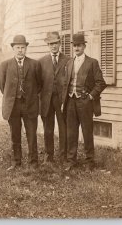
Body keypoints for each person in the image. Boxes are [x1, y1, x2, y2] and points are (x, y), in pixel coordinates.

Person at [62, 33, 107, 171]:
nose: (76, 48)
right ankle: (71, 161)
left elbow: (101, 83)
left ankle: (89, 162)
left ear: (84, 46)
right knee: (71, 132)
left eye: (79, 45)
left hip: (85, 103)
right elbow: (66, 83)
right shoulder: (69, 63)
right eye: (74, 45)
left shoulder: (92, 62)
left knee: (87, 132)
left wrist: (90, 97)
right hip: (70, 102)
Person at [0, 35, 41, 171]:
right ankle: (16, 162)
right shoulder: (5, 65)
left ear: (26, 48)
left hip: (30, 104)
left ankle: (33, 162)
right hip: (13, 105)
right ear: (13, 49)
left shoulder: (34, 64)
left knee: (31, 134)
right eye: (17, 48)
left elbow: (39, 84)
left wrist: (30, 96)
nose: (20, 50)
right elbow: (2, 85)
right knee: (15, 134)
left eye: (23, 47)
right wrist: (12, 96)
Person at [39, 32, 69, 164]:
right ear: (48, 45)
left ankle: (64, 156)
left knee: (63, 128)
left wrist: (65, 99)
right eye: (51, 44)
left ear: (60, 44)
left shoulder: (67, 60)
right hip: (46, 100)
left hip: (62, 100)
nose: (53, 46)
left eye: (55, 43)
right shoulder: (41, 62)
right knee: (48, 129)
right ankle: (48, 155)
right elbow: (37, 82)